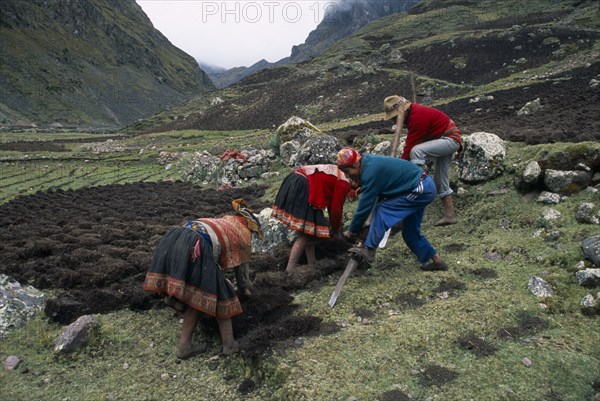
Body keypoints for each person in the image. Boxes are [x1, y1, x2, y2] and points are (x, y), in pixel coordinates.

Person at [143, 198, 264, 359]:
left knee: (193, 287)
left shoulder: (224, 222)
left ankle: (182, 311)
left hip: (174, 238)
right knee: (214, 291)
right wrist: (246, 293)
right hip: (195, 246)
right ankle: (224, 344)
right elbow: (241, 278)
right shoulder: (242, 236)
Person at [336, 147, 448, 272]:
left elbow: (364, 207)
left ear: (356, 164)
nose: (347, 175)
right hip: (418, 188)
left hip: (420, 188)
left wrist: (352, 231)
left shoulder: (370, 171)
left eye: (347, 171)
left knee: (382, 210)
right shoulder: (368, 164)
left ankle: (370, 250)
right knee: (410, 232)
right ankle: (437, 261)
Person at [384, 95, 463, 226]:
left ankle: (417, 186)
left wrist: (399, 170)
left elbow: (410, 148)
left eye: (395, 118)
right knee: (440, 179)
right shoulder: (413, 114)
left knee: (416, 151)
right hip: (443, 140)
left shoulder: (417, 117)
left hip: (449, 140)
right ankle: (450, 215)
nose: (394, 122)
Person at [271, 164, 354, 274]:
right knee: (305, 235)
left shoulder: (338, 172)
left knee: (310, 231)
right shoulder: (344, 182)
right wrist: (336, 231)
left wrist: (335, 227)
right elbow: (336, 209)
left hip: (295, 180)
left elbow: (331, 206)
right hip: (304, 187)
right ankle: (288, 272)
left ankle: (312, 266)